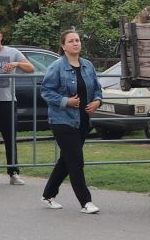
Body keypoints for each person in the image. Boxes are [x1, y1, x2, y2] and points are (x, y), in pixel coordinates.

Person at [38, 27, 103, 214]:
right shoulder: (57, 66)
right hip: (62, 120)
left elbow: (97, 89)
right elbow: (46, 91)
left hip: (82, 120)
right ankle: (86, 202)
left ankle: (48, 194)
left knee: (66, 160)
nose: (76, 43)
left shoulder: (87, 65)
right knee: (76, 161)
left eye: (77, 40)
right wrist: (67, 101)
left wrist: (97, 101)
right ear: (63, 46)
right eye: (71, 41)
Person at [0, 25, 34, 185]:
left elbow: (30, 68)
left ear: (1, 36)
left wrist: (16, 64)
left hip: (8, 101)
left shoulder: (12, 52)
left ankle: (13, 172)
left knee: (10, 137)